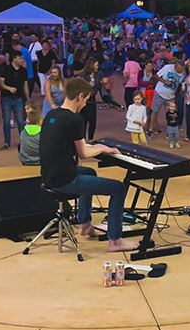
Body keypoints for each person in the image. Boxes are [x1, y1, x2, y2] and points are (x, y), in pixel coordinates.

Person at [40, 78, 136, 252]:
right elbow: (84, 153)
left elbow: (74, 145)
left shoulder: (51, 115)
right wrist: (103, 149)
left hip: (49, 176)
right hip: (66, 180)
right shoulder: (75, 119)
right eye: (85, 100)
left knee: (90, 173)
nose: (85, 105)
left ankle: (85, 224)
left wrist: (99, 147)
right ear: (80, 96)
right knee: (119, 188)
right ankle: (115, 240)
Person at [0, 51, 29, 149]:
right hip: (6, 98)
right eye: (20, 58)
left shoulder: (23, 70)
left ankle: (23, 141)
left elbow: (25, 85)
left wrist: (27, 98)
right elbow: (0, 84)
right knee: (7, 121)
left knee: (20, 121)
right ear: (14, 59)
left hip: (19, 98)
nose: (22, 60)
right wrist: (9, 88)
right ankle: (7, 142)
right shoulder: (6, 69)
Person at [18, 101, 42, 166]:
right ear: (40, 120)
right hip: (40, 161)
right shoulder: (43, 133)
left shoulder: (23, 132)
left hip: (25, 161)